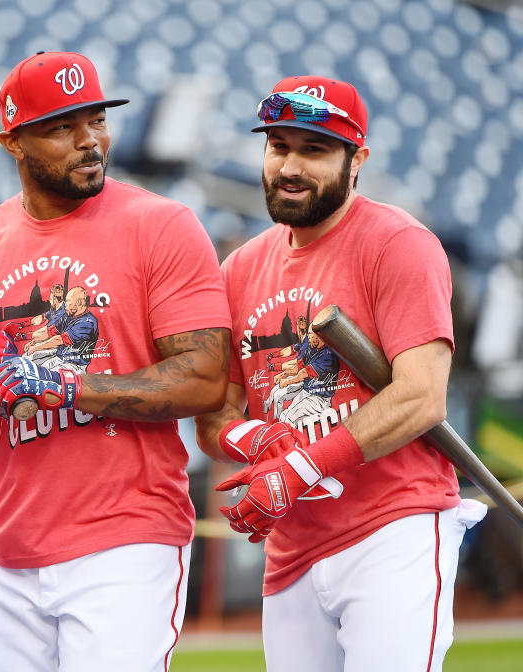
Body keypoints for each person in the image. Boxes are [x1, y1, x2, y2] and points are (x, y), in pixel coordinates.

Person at [0, 51, 232, 670]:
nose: (90, 141)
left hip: (125, 539)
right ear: (13, 141)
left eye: (96, 120)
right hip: (2, 548)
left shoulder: (161, 225)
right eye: (63, 127)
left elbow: (204, 381)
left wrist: (60, 383)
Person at [193, 76, 487, 671]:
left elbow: (422, 397)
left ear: (358, 161)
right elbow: (213, 409)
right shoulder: (240, 268)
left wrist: (300, 466)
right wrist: (249, 438)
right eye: (279, 147)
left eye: (314, 150)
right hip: (292, 545)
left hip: (392, 530)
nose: (291, 166)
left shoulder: (400, 244)